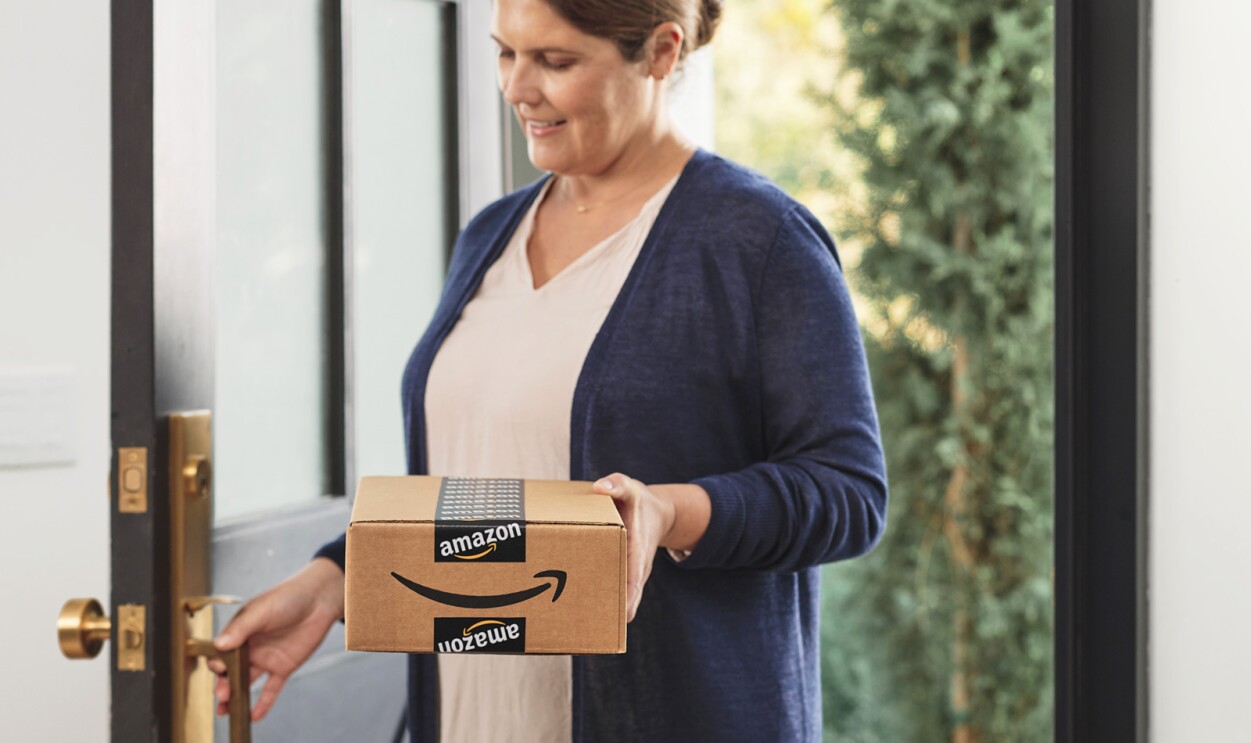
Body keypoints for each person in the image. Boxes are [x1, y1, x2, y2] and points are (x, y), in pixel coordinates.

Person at [210, 0, 888, 740]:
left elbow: (848, 490)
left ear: (660, 52)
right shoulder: (488, 237)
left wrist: (667, 513)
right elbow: (483, 480)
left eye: (555, 62)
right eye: (506, 53)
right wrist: (335, 578)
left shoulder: (759, 242)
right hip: (475, 715)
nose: (516, 87)